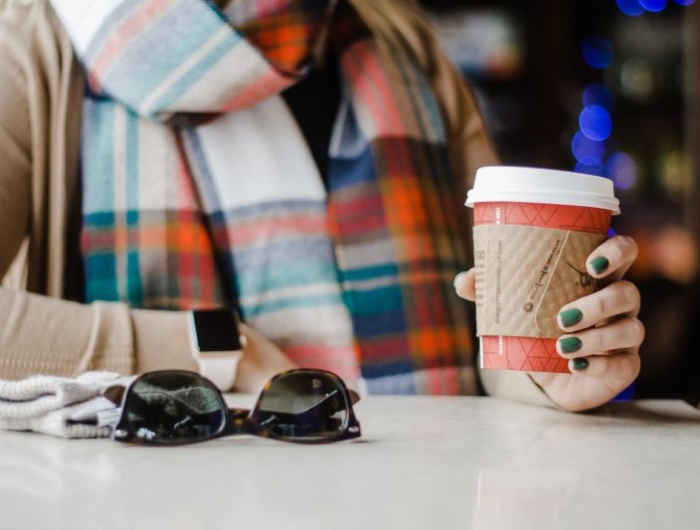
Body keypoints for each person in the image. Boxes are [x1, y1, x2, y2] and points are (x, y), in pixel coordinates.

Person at [0, 0, 643, 412]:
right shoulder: (32, 46)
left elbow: (486, 347)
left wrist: (541, 375)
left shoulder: (401, 37)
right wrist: (212, 349)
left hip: (429, 502)